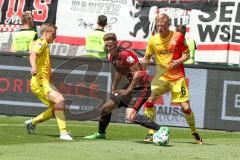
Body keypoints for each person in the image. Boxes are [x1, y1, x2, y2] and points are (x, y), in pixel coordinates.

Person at [84, 33, 167, 139]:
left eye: (111, 46)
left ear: (116, 43)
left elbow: (138, 74)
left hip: (142, 87)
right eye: (107, 46)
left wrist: (128, 90)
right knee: (106, 107)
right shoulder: (110, 55)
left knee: (130, 116)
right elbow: (119, 70)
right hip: (131, 86)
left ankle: (160, 129)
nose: (109, 48)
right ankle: (101, 134)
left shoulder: (125, 55)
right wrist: (115, 85)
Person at [141, 13, 203, 144]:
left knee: (186, 107)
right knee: (149, 100)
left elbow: (186, 54)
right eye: (158, 25)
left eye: (163, 25)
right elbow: (146, 58)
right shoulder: (153, 40)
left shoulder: (178, 36)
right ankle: (151, 131)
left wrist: (179, 60)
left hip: (177, 78)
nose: (160, 27)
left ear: (168, 25)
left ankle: (194, 132)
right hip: (161, 77)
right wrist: (142, 71)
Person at [25, 23, 73, 141]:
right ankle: (63, 133)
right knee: (60, 101)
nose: (54, 37)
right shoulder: (41, 42)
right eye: (53, 34)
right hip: (39, 82)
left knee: (55, 108)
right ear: (46, 32)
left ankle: (31, 123)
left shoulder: (44, 44)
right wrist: (34, 67)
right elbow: (32, 54)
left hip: (44, 81)